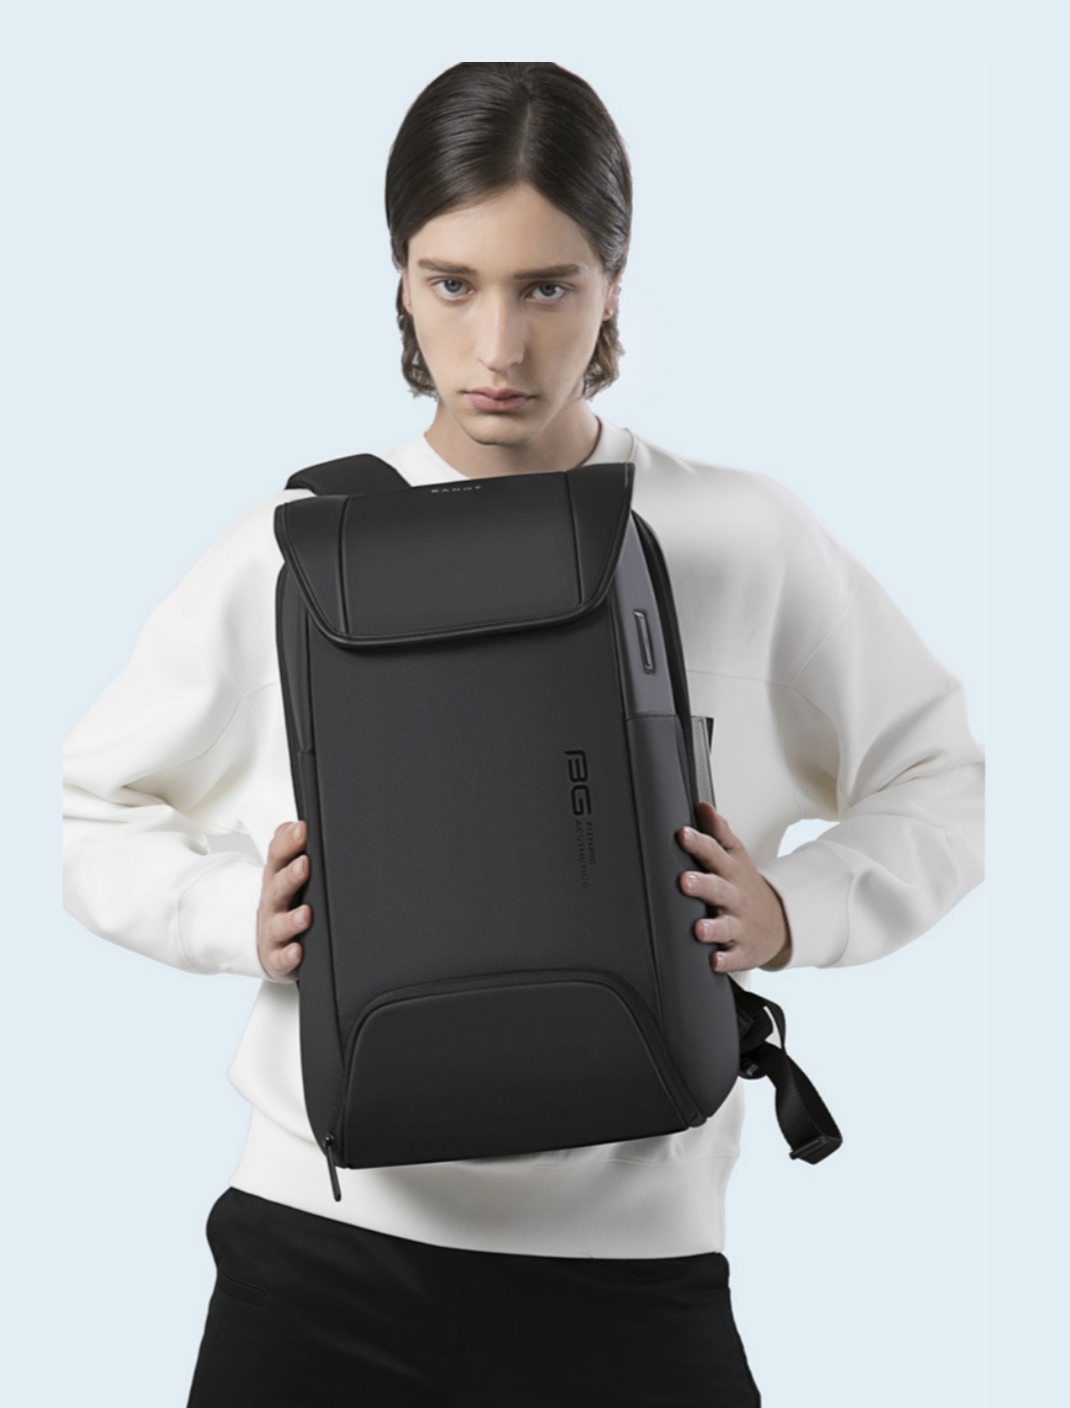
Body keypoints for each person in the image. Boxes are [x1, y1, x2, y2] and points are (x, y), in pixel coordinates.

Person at [61, 60, 985, 1407]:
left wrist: (796, 910)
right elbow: (96, 811)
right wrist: (229, 915)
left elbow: (939, 780)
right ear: (399, 280)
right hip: (319, 1258)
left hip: (633, 1279)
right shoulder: (297, 549)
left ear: (614, 282)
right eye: (453, 284)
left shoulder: (746, 537)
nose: (498, 347)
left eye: (547, 288)